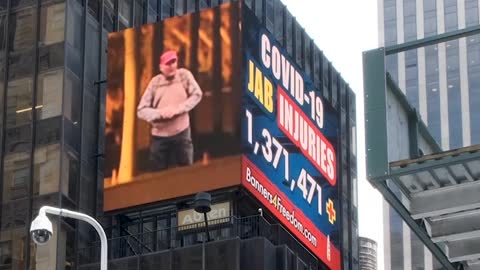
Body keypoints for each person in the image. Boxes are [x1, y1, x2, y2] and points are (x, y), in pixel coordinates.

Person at [137, 50, 202, 171]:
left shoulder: (184, 76)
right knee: (158, 174)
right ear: (161, 67)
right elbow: (141, 110)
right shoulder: (155, 83)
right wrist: (160, 113)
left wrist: (179, 109)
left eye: (174, 61)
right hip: (159, 137)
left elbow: (197, 94)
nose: (172, 66)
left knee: (187, 171)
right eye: (168, 63)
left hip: (182, 133)